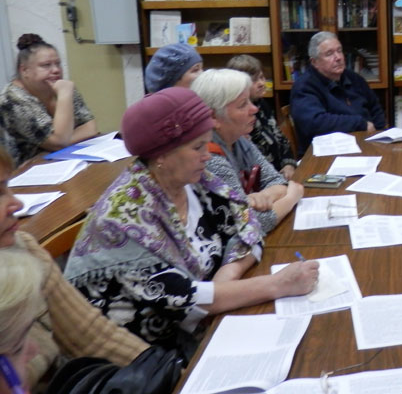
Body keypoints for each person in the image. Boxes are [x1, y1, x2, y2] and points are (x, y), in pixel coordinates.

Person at [64, 88, 318, 349]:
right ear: (161, 154)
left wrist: (227, 275)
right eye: (198, 147)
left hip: (203, 327)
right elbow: (184, 299)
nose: (207, 155)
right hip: (139, 354)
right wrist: (277, 284)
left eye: (207, 143)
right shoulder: (122, 218)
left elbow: (248, 226)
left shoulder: (197, 182)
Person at [0, 146, 148, 391]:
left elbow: (94, 336)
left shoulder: (22, 249)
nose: (16, 203)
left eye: (8, 186)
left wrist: (172, 377)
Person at [190, 69, 302, 235]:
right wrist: (292, 197)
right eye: (243, 104)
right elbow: (249, 225)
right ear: (213, 117)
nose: (254, 109)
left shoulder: (238, 140)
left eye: (250, 101)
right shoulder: (209, 158)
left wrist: (265, 195)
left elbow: (276, 180)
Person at [0, 33, 97, 165]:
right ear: (24, 70)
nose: (56, 70)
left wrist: (60, 143)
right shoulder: (12, 100)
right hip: (24, 170)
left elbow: (90, 127)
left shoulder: (60, 85)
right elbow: (59, 141)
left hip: (62, 160)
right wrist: (64, 96)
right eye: (46, 65)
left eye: (58, 64)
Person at [290, 31, 386, 155]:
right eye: (329, 54)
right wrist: (360, 124)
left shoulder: (353, 78)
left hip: (367, 145)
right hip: (323, 154)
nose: (338, 57)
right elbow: (314, 123)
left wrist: (378, 134)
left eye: (339, 51)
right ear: (314, 62)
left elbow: (375, 107)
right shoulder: (304, 86)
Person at [226, 54, 297, 180]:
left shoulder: (262, 104)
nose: (262, 83)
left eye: (262, 77)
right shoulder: (238, 117)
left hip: (280, 174)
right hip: (263, 180)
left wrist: (289, 165)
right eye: (254, 80)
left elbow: (281, 139)